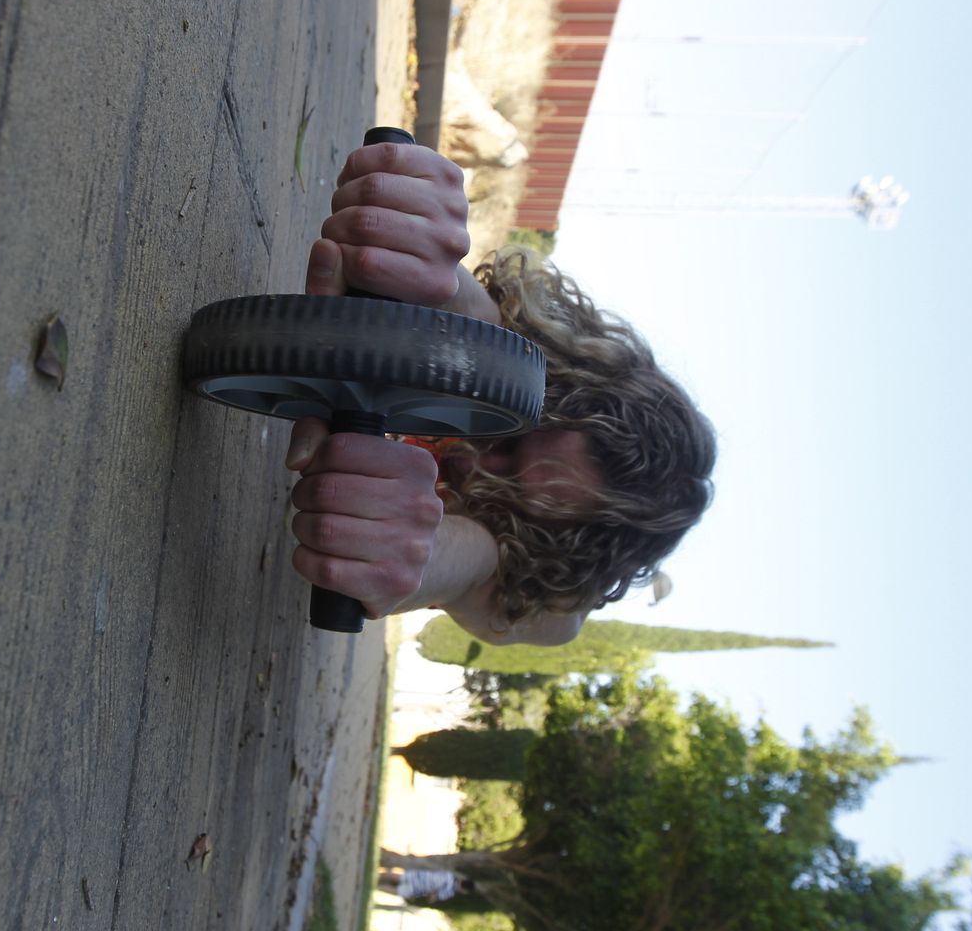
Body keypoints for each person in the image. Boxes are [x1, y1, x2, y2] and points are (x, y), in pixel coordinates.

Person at [286, 140, 716, 646]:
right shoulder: (525, 354)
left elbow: (487, 581)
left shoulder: (552, 605)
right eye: (508, 444)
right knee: (502, 359)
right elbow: (489, 332)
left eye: (515, 496)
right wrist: (434, 268)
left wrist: (417, 558)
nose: (477, 465)